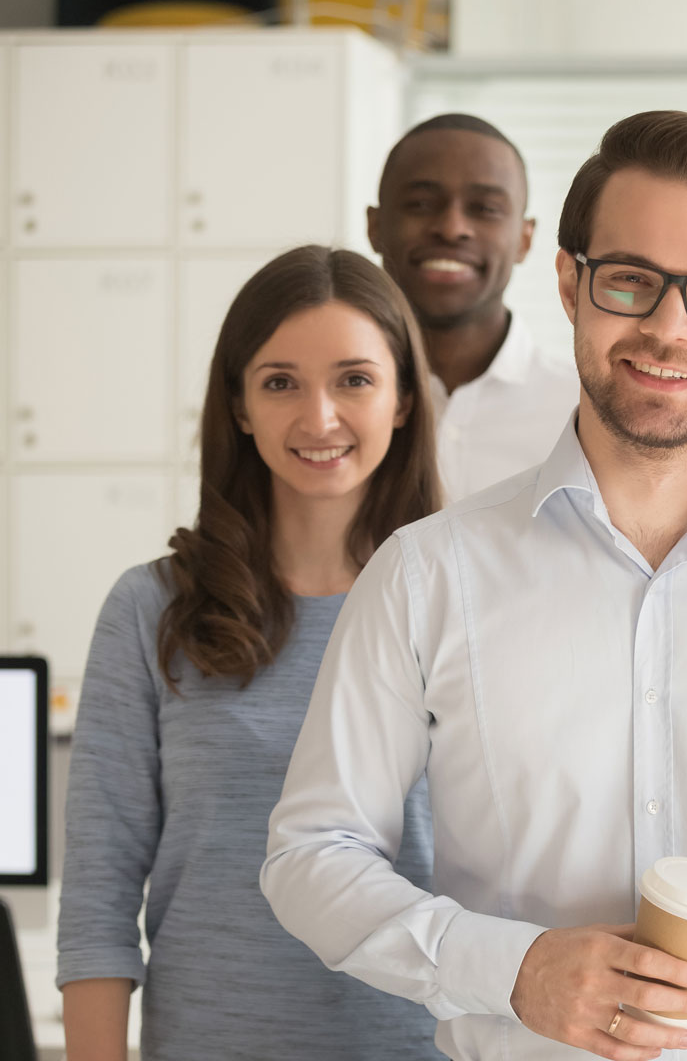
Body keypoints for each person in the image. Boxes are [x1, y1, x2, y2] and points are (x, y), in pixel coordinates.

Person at [262, 110, 687, 1061]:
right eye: (632, 281)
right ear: (569, 282)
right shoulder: (429, 572)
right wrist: (511, 968)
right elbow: (311, 856)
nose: (668, 329)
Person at [56, 246, 441, 1061]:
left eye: (354, 379)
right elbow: (98, 892)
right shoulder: (150, 608)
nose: (319, 418)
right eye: (280, 382)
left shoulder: (461, 606)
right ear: (237, 404)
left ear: (404, 398)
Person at [368, 112, 579, 502]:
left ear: (525, 239)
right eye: (420, 203)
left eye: (484, 209)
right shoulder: (329, 407)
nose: (451, 228)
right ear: (375, 226)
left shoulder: (584, 415)